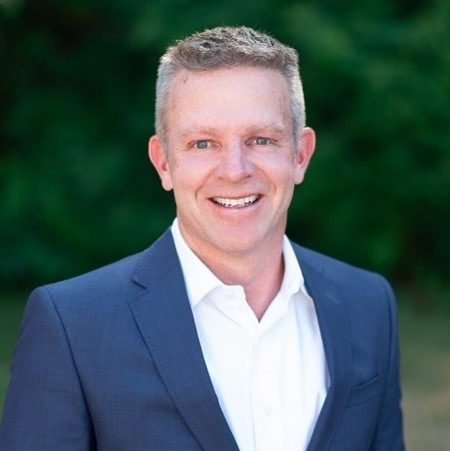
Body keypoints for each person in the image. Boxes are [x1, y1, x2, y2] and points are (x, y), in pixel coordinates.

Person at [0, 26, 404, 450]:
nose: (235, 170)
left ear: (300, 155)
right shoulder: (72, 326)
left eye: (261, 139)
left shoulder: (369, 304)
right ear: (164, 162)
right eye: (203, 143)